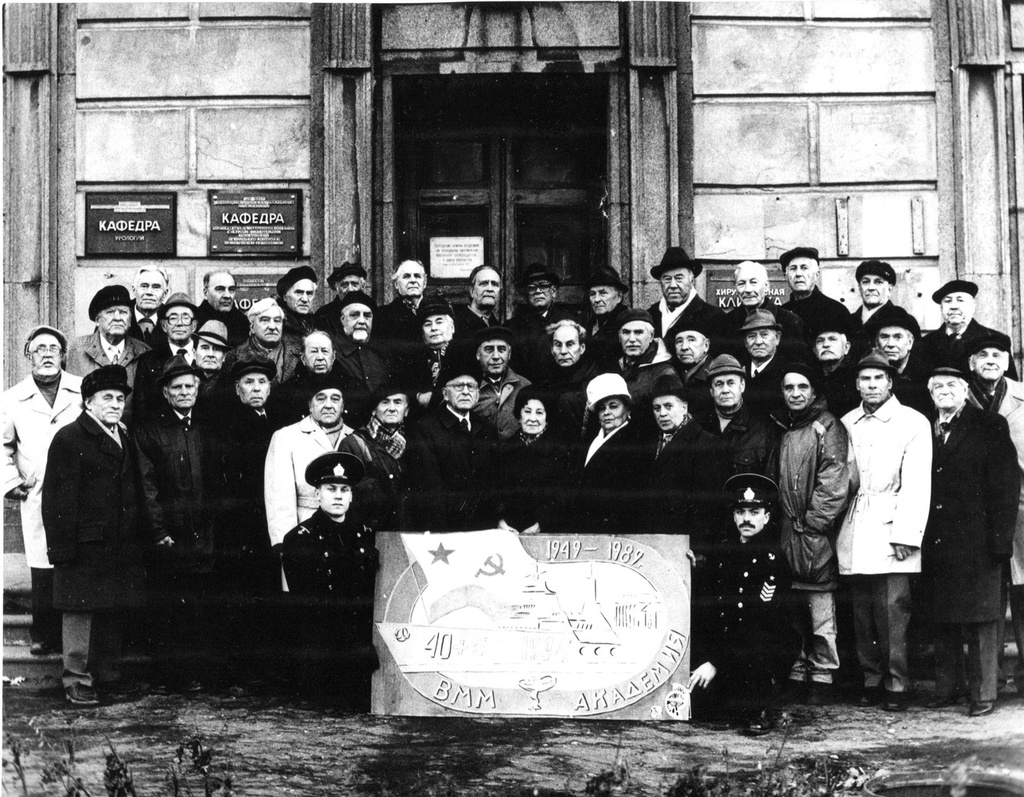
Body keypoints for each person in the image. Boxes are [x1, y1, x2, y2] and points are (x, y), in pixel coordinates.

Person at [42, 365, 162, 705]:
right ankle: (76, 680)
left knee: (113, 608)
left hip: (120, 543)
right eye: (106, 398)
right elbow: (56, 501)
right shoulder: (70, 438)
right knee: (80, 613)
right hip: (84, 544)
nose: (115, 404)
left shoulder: (123, 435)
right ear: (88, 403)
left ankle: (108, 675)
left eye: (120, 398)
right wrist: (63, 550)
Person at [921, 366, 1020, 717]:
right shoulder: (925, 427)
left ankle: (983, 694)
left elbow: (1007, 487)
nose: (944, 391)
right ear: (930, 393)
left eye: (952, 385)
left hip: (978, 540)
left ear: (965, 391)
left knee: (981, 619)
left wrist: (1000, 542)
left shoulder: (988, 425)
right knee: (944, 616)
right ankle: (948, 688)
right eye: (938, 386)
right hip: (936, 540)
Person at [838, 350, 932, 712]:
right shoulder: (848, 422)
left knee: (893, 609)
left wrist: (907, 534)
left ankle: (897, 683)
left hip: (894, 525)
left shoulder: (912, 422)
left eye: (879, 378)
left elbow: (917, 483)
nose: (872, 385)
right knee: (862, 611)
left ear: (890, 382)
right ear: (857, 384)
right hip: (857, 524)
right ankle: (871, 678)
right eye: (865, 379)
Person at [688, 473, 799, 735]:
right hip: (730, 645)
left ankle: (760, 705)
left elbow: (758, 622)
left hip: (759, 647)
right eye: (740, 511)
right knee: (701, 708)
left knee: (757, 654)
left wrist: (715, 662)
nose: (746, 519)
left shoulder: (773, 560)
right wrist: (694, 567)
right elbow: (713, 607)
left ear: (766, 517)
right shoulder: (726, 550)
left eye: (754, 511)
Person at [135, 357, 215, 693]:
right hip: (169, 536)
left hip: (202, 535)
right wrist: (159, 532)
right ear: (166, 393)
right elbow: (146, 487)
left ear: (198, 390)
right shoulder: (150, 431)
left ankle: (193, 673)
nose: (185, 392)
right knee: (169, 608)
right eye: (178, 387)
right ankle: (169, 676)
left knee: (198, 608)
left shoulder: (204, 428)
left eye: (190, 386)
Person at [2, 326, 84, 656]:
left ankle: (75, 639)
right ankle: (44, 635)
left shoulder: (80, 391)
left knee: (74, 560)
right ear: (28, 355)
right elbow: (3, 445)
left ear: (64, 355)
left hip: (79, 492)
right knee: (41, 563)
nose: (47, 354)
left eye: (53, 348)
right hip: (36, 492)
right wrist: (10, 482)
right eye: (39, 349)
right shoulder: (12, 399)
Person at [776, 362, 852, 704]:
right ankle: (797, 670)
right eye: (789, 388)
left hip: (813, 534)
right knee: (792, 610)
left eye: (802, 387)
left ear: (814, 392)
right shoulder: (785, 427)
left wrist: (813, 525)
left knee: (820, 610)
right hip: (787, 531)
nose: (795, 394)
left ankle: (822, 674)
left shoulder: (826, 427)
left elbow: (833, 481)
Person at [279, 452, 377, 701]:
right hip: (322, 651)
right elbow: (309, 608)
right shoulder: (299, 539)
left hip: (358, 647)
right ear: (316, 494)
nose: (337, 495)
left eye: (344, 490)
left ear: (352, 495)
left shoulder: (365, 534)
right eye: (330, 488)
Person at [965, 333, 1024, 696]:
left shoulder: (1022, 396)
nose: (989, 359)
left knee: (1023, 595)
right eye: (981, 354)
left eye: (997, 354)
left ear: (1006, 360)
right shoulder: (958, 395)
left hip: (1021, 512)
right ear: (971, 363)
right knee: (986, 598)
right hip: (975, 515)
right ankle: (991, 678)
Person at [265, 370, 357, 560]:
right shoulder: (286, 437)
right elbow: (279, 499)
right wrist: (284, 544)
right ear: (309, 404)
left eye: (335, 398)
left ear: (343, 405)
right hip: (304, 533)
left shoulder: (357, 437)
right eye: (321, 398)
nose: (328, 405)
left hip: (346, 536)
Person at [405, 357, 499, 531]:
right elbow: (430, 489)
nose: (465, 392)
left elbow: (492, 483)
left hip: (482, 528)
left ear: (478, 394)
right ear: (445, 394)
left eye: (471, 387)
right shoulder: (425, 429)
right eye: (458, 386)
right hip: (445, 530)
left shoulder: (486, 428)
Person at [643, 375, 727, 540]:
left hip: (685, 546)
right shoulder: (650, 443)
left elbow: (708, 507)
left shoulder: (706, 443)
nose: (662, 414)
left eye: (668, 406)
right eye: (657, 408)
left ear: (684, 408)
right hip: (654, 541)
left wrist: (699, 550)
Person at [566, 374, 649, 534]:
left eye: (613, 406)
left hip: (611, 532)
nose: (607, 412)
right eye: (602, 408)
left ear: (627, 408)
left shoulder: (633, 444)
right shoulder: (592, 439)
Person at [67, 285, 151, 424]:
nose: (117, 318)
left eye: (123, 312)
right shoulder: (75, 351)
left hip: (130, 440)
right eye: (110, 312)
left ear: (130, 320)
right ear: (97, 320)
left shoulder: (144, 353)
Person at [495, 386, 569, 534]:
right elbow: (494, 492)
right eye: (527, 411)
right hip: (508, 532)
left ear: (548, 417)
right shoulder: (504, 449)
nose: (532, 419)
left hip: (545, 532)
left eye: (540, 412)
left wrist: (541, 524)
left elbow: (563, 497)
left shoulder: (560, 451)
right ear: (519, 414)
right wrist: (500, 521)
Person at [341, 382, 412, 531]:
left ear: (406, 410)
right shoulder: (353, 444)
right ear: (373, 410)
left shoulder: (416, 443)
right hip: (370, 533)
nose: (391, 408)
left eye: (398, 402)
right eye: (385, 402)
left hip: (407, 533)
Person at [697, 354, 780, 480]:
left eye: (731, 383)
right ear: (711, 391)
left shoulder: (763, 428)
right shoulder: (698, 426)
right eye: (719, 384)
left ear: (742, 386)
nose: (725, 390)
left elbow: (769, 482)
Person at [916, 279, 1018, 380]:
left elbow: (1010, 386)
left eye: (960, 300)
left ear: (973, 307)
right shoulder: (926, 343)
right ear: (941, 308)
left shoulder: (995, 339)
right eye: (948, 301)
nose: (954, 306)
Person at [720, 261, 808, 364]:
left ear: (766, 286)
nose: (748, 289)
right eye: (741, 283)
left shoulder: (790, 321)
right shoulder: (726, 323)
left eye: (753, 282)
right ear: (736, 288)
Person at [132, 292, 199, 423]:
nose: (179, 324)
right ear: (164, 325)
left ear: (194, 325)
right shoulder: (148, 360)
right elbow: (141, 409)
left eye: (185, 318)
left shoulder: (206, 356)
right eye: (173, 318)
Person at [330, 290, 392, 429]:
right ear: (342, 320)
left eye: (367, 316)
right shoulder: (331, 353)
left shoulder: (381, 354)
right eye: (354, 315)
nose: (362, 321)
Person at [506, 263, 575, 383]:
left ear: (553, 291)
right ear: (526, 294)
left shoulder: (569, 323)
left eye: (543, 286)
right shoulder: (512, 327)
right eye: (532, 287)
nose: (538, 291)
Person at [616, 308, 677, 433]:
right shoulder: (617, 366)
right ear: (619, 337)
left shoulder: (664, 373)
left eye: (638, 332)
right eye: (626, 332)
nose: (632, 339)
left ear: (651, 336)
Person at [863, 304, 931, 416]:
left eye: (898, 337)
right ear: (876, 343)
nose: (890, 344)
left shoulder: (925, 376)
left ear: (910, 342)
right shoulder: (868, 374)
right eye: (884, 337)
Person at [646, 246, 724, 342]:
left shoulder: (714, 317)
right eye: (667, 279)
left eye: (679, 278)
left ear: (691, 281)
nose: (673, 285)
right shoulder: (650, 315)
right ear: (660, 283)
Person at [541, 318, 600, 442]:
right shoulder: (547, 379)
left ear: (582, 348)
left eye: (570, 344)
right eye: (558, 345)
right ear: (552, 349)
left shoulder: (593, 382)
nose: (563, 351)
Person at [779, 247, 849, 346]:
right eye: (793, 268)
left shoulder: (836, 311)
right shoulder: (781, 314)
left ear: (816, 275)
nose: (798, 274)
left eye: (804, 268)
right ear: (785, 276)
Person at [223, 297, 302, 386]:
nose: (272, 327)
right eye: (265, 320)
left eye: (277, 321)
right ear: (252, 327)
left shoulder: (299, 353)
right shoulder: (233, 357)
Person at [474, 326, 531, 440]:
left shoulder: (526, 387)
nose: (496, 356)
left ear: (509, 354)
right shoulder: (469, 389)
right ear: (478, 354)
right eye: (489, 350)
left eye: (501, 350)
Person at [408, 297, 463, 413]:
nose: (434, 328)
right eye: (428, 324)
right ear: (422, 332)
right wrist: (417, 397)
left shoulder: (463, 356)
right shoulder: (412, 359)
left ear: (452, 327)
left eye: (439, 322)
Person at [281, 330, 340, 423]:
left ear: (333, 357)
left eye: (325, 351)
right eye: (313, 351)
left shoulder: (350, 387)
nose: (320, 357)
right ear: (303, 358)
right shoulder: (285, 394)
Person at [375, 259, 427, 364]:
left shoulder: (437, 311)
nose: (413, 280)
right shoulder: (383, 315)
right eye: (406, 276)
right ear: (396, 285)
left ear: (424, 283)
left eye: (417, 276)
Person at [738, 309, 787, 419]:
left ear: (777, 338)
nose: (758, 342)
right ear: (745, 342)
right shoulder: (737, 369)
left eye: (764, 334)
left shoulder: (786, 372)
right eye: (751, 336)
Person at [813, 314, 860, 419]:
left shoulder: (855, 376)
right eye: (820, 341)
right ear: (815, 350)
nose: (826, 345)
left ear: (846, 347)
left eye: (832, 339)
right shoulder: (812, 375)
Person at [667, 317, 715, 419]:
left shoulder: (715, 374)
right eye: (679, 341)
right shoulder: (670, 373)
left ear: (706, 345)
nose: (684, 347)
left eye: (691, 340)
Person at [583, 266, 630, 369]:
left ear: (618, 297)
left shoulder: (627, 323)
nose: (596, 299)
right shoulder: (590, 324)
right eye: (592, 294)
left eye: (603, 293)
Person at [848, 260, 898, 355]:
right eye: (866, 282)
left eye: (878, 282)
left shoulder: (904, 321)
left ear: (889, 288)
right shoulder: (848, 321)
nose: (871, 287)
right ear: (859, 287)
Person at [313, 260, 369, 338]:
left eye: (354, 284)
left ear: (362, 286)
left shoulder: (371, 309)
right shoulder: (324, 315)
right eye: (344, 285)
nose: (350, 289)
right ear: (337, 288)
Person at [195, 270, 248, 348]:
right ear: (205, 293)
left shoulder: (242, 322)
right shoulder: (195, 319)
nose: (227, 295)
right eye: (220, 289)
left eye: (231, 289)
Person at [454, 265, 502, 338]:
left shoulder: (497, 325)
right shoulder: (457, 325)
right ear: (472, 291)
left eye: (495, 284)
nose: (490, 289)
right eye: (484, 283)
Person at [126, 266, 170, 347]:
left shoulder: (171, 318)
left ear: (165, 293)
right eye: (144, 286)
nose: (149, 292)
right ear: (134, 290)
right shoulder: (120, 315)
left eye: (156, 287)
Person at [276, 265, 319, 344]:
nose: (305, 299)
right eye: (299, 292)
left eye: (309, 293)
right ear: (285, 296)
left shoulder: (315, 323)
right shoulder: (276, 324)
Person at [192, 319, 231, 403]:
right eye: (205, 348)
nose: (210, 354)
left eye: (217, 349)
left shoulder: (231, 387)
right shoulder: (183, 381)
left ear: (224, 356)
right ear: (194, 353)